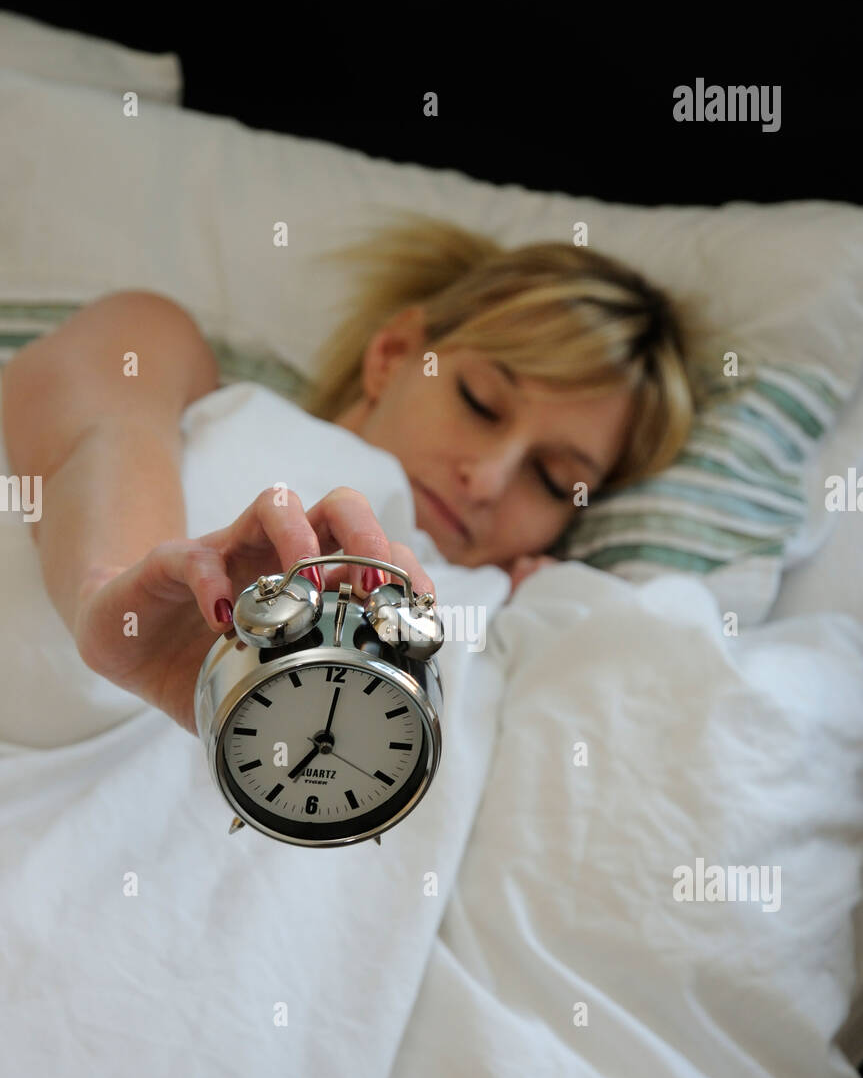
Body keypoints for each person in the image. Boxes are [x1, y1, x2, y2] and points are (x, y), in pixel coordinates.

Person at [1, 211, 701, 736]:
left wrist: (562, 611)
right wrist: (121, 603)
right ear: (393, 354)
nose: (486, 480)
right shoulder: (175, 359)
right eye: (479, 402)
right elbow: (100, 434)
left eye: (552, 479)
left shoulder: (510, 616)